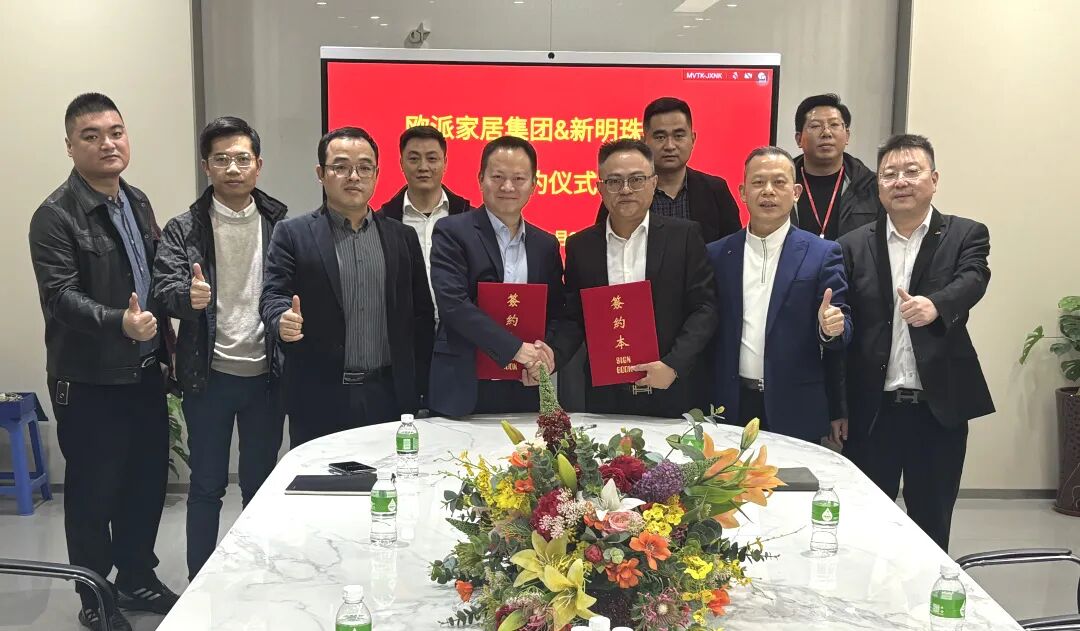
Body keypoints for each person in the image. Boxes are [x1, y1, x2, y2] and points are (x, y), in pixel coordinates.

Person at [28, 93, 178, 631]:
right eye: (91, 136)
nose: (107, 143)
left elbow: (152, 278)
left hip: (143, 373)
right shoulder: (54, 215)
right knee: (93, 495)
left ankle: (136, 576)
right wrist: (120, 322)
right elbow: (60, 297)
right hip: (89, 380)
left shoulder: (135, 200)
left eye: (116, 132)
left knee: (145, 484)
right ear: (70, 147)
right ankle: (94, 594)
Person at [831, 133, 993, 551]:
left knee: (932, 524)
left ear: (933, 180)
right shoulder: (852, 244)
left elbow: (974, 278)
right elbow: (846, 321)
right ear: (878, 185)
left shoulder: (965, 234)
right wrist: (838, 404)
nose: (900, 181)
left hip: (936, 411)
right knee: (865, 526)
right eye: (889, 174)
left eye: (912, 171)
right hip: (872, 411)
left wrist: (937, 305)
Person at [152, 116, 287, 580]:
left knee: (260, 486)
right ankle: (200, 582)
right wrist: (185, 299)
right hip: (207, 377)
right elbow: (162, 289)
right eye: (222, 159)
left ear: (258, 165)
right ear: (206, 166)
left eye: (242, 159)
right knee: (207, 487)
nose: (233, 168)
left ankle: (256, 578)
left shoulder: (280, 224)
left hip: (266, 377)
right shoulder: (184, 228)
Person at [260, 126, 433, 445]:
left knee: (390, 475)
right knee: (321, 477)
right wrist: (281, 319)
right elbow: (273, 295)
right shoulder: (292, 234)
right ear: (321, 173)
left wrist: (419, 387)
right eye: (340, 167)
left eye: (365, 167)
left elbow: (421, 316)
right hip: (318, 396)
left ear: (377, 174)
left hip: (389, 396)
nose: (354, 176)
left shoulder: (401, 237)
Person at [551, 139, 717, 417]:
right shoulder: (581, 246)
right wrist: (551, 356)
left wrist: (673, 365)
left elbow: (705, 308)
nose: (626, 189)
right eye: (614, 181)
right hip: (605, 395)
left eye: (637, 180)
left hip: (672, 390)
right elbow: (575, 318)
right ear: (600, 187)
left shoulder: (684, 236)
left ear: (654, 183)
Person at [707, 146, 851, 443]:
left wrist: (831, 327)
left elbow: (841, 324)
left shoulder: (822, 253)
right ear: (743, 192)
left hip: (794, 407)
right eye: (758, 182)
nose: (768, 191)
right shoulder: (717, 254)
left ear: (796, 192)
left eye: (779, 182)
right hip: (730, 405)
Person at [428, 136, 563, 417]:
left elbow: (556, 311)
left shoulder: (545, 244)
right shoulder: (452, 232)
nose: (508, 187)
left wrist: (545, 356)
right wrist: (516, 349)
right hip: (464, 385)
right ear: (481, 179)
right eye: (498, 177)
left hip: (524, 385)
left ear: (534, 185)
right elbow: (453, 304)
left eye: (519, 178)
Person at [595, 97, 741, 243]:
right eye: (660, 137)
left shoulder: (715, 190)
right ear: (644, 141)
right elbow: (603, 244)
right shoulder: (624, 192)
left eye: (678, 136)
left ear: (693, 139)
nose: (670, 146)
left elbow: (733, 247)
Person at [377, 125, 472, 317]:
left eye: (432, 158)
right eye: (414, 159)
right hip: (406, 329)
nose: (423, 167)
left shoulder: (470, 218)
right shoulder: (382, 222)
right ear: (401, 163)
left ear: (445, 162)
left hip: (459, 329)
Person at [791, 93, 882, 240]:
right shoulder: (782, 184)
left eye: (834, 125)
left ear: (847, 136)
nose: (826, 133)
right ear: (799, 139)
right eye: (815, 126)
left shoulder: (872, 186)